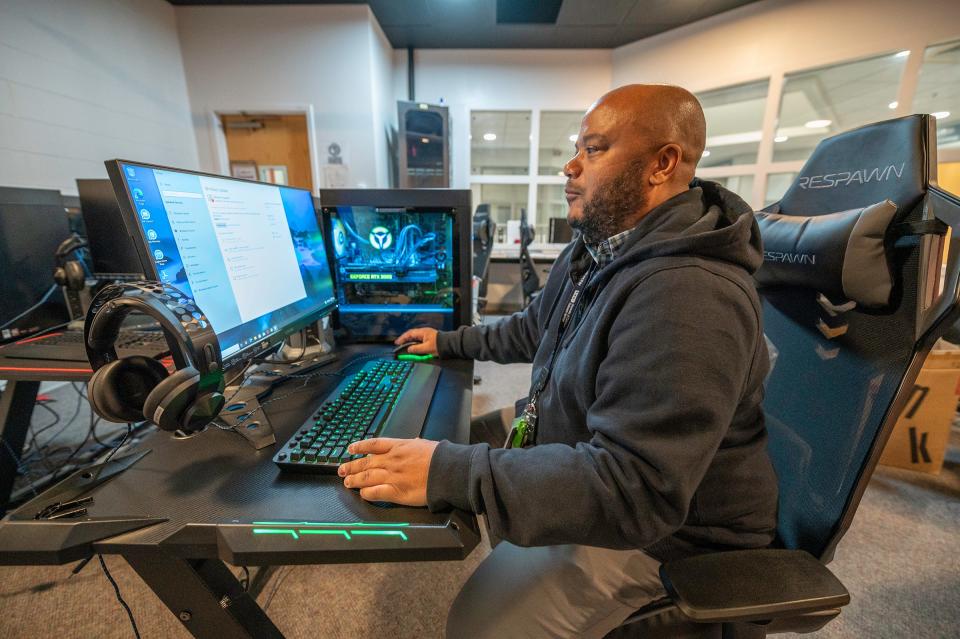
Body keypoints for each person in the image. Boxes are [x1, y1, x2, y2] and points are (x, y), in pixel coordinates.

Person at [338, 84, 779, 638]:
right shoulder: (599, 249)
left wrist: (452, 470)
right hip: (583, 448)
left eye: (593, 150)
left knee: (475, 627)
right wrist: (450, 343)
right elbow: (534, 328)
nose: (570, 167)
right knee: (445, 431)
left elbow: (635, 490)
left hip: (670, 538)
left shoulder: (688, 293)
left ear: (661, 164)